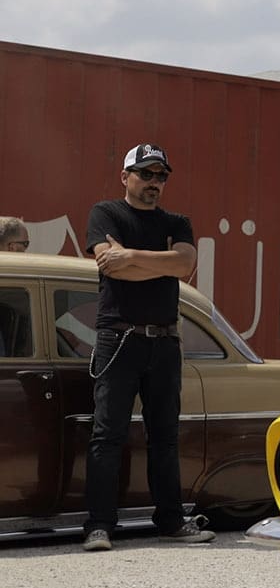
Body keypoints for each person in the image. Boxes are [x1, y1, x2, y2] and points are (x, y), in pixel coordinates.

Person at [81, 144, 216, 550]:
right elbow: (110, 265)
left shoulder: (177, 221)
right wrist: (160, 262)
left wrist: (131, 257)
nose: (154, 182)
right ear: (126, 176)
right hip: (118, 338)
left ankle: (171, 522)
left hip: (165, 341)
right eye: (146, 174)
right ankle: (99, 526)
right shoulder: (105, 213)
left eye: (161, 176)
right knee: (108, 434)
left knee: (165, 437)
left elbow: (184, 265)